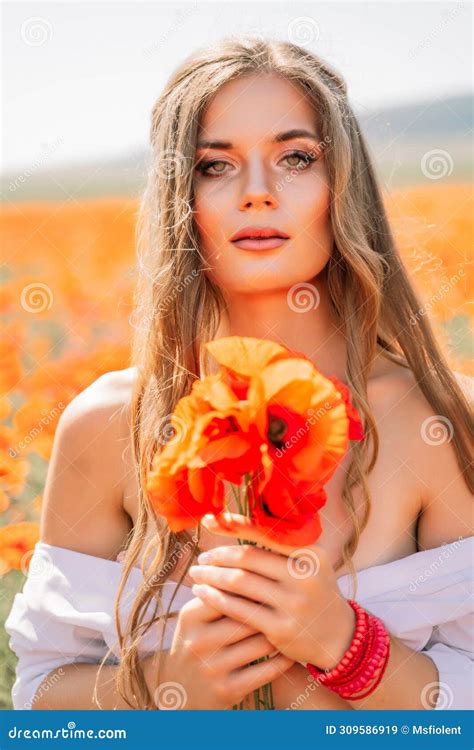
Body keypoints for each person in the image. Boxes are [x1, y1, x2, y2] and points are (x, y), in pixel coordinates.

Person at [6, 36, 473, 712]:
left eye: (295, 158)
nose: (257, 193)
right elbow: (39, 706)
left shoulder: (436, 418)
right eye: (214, 166)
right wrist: (167, 687)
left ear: (342, 185)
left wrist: (351, 651)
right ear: (179, 196)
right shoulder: (106, 425)